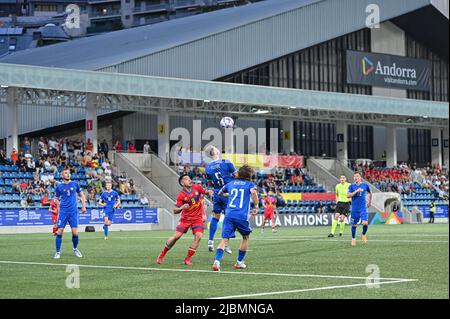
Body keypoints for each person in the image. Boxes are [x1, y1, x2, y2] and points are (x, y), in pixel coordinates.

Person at [156, 174, 213, 266]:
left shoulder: (197, 187)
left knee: (198, 236)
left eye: (190, 178)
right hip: (185, 219)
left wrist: (209, 192)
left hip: (197, 218)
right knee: (176, 237)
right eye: (187, 179)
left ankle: (187, 259)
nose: (190, 180)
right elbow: (175, 211)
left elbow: (205, 193)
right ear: (182, 183)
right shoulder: (181, 196)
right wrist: (182, 207)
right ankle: (162, 254)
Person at [212, 165, 259, 271]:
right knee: (245, 237)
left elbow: (220, 193)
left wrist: (231, 195)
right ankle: (239, 262)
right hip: (241, 216)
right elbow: (254, 193)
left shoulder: (231, 183)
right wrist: (256, 206)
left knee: (224, 239)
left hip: (228, 215)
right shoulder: (250, 184)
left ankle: (217, 261)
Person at [204, 145, 237, 253]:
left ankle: (210, 241)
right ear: (215, 152)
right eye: (215, 148)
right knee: (229, 219)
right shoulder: (226, 162)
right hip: (228, 193)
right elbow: (237, 176)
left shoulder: (208, 167)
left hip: (217, 194)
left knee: (215, 217)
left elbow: (209, 183)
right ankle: (225, 244)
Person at [53, 167, 87, 259]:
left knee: (75, 233)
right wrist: (57, 202)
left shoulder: (75, 184)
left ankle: (75, 248)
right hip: (63, 211)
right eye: (65, 173)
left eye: (68, 173)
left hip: (73, 211)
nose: (67, 174)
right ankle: (58, 252)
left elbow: (82, 195)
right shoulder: (59, 187)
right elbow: (55, 198)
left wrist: (83, 206)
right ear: (62, 175)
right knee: (59, 231)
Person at [347, 172, 372, 247]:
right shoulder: (351, 186)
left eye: (357, 176)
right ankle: (353, 239)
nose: (355, 178)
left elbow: (370, 193)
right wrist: (356, 191)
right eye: (354, 176)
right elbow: (348, 195)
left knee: (365, 223)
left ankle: (363, 234)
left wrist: (369, 202)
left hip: (363, 208)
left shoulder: (365, 185)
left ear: (360, 178)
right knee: (354, 225)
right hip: (354, 209)